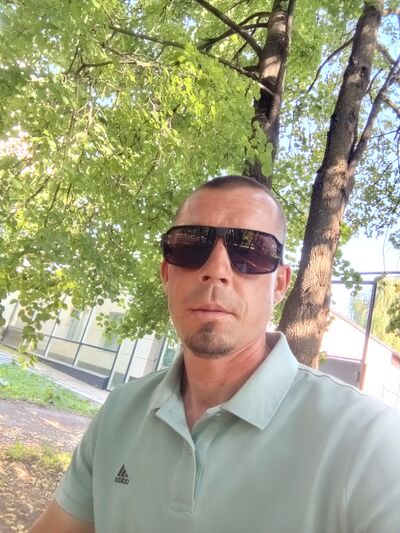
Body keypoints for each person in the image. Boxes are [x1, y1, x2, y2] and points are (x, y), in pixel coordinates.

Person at [30, 175, 400, 533]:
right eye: (191, 245)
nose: (216, 270)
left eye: (251, 250)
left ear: (279, 285)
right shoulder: (119, 411)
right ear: (167, 274)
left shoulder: (366, 440)